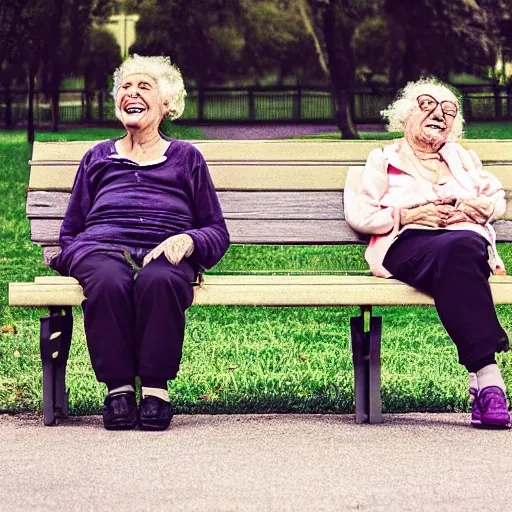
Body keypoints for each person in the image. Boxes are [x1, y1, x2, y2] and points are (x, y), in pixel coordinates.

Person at [50, 55, 230, 431]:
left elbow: (215, 229)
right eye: (125, 88)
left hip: (165, 250)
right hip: (101, 249)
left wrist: (189, 239)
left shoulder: (187, 158)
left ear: (167, 104)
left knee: (160, 280)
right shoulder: (98, 157)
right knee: (109, 280)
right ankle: (118, 389)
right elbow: (70, 232)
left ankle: (154, 389)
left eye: (143, 86)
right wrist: (81, 252)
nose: (131, 93)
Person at [345, 78, 510, 429]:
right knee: (460, 252)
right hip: (407, 243)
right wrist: (407, 214)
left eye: (449, 110)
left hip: (462, 244)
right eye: (428, 105)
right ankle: (487, 378)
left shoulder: (464, 159)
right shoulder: (382, 159)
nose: (439, 113)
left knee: (460, 248)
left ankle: (487, 381)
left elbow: (496, 200)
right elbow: (359, 214)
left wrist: (474, 207)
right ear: (404, 116)